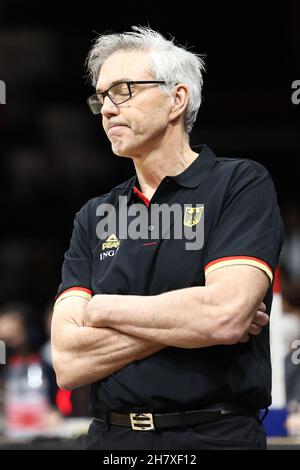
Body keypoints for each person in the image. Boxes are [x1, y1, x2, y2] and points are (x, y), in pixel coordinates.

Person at [51, 26, 284, 450]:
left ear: (177, 99)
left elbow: (225, 316)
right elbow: (67, 362)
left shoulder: (240, 183)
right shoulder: (94, 214)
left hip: (214, 437)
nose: (107, 109)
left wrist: (102, 309)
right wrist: (191, 321)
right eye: (102, 96)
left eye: (123, 90)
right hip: (110, 440)